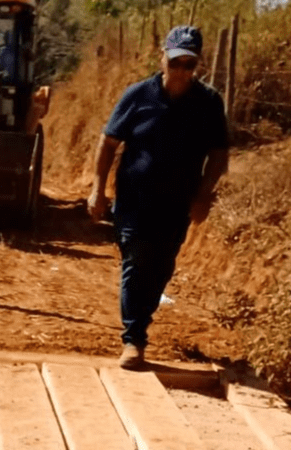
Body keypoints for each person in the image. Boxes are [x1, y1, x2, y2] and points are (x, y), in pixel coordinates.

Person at [87, 25, 229, 369]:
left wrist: (203, 195)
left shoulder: (208, 103)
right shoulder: (138, 95)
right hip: (135, 200)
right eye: (176, 61)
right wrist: (97, 189)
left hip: (178, 203)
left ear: (197, 67)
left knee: (161, 268)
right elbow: (108, 144)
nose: (181, 71)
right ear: (162, 58)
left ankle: (140, 324)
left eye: (189, 65)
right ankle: (133, 340)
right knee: (136, 262)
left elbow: (219, 154)